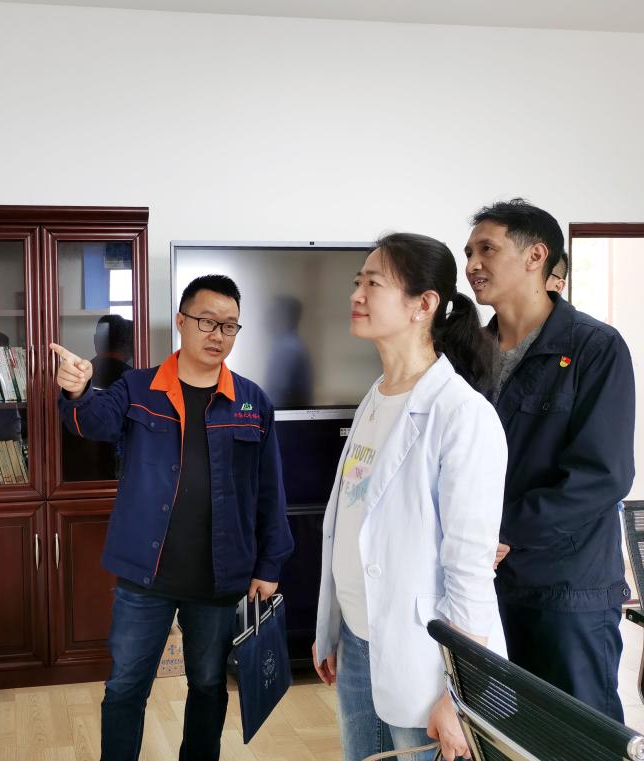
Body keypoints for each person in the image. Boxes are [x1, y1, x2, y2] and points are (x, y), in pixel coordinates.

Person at [52, 274, 294, 761]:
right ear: (181, 322)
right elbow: (94, 422)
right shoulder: (139, 387)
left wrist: (270, 564)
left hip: (219, 577)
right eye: (207, 321)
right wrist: (78, 392)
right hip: (146, 574)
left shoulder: (252, 401)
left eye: (229, 325)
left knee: (207, 684)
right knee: (126, 685)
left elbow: (269, 491)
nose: (218, 334)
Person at [313, 233, 508, 761]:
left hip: (425, 657)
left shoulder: (461, 415)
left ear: (424, 305)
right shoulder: (375, 399)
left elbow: (469, 568)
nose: (356, 294)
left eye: (373, 284)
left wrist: (458, 691)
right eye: (358, 282)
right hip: (359, 640)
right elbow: (348, 521)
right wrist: (330, 627)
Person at [465, 199, 635, 721]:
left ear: (536, 256)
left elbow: (603, 475)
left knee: (578, 735)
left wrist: (500, 530)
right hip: (483, 583)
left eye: (487, 249)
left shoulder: (594, 348)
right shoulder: (468, 356)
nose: (472, 264)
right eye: (469, 252)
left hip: (567, 590)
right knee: (496, 732)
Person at [61, 315, 134, 482]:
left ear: (96, 341)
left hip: (72, 472)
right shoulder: (135, 380)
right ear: (132, 344)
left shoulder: (77, 376)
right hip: (121, 475)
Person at [264, 295, 314, 407]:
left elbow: (277, 396)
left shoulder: (286, 348)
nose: (266, 319)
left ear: (283, 317)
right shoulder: (292, 344)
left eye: (272, 313)